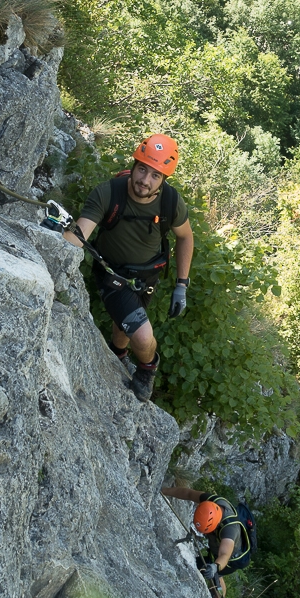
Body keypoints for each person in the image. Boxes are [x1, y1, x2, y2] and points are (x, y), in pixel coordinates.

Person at [62, 135, 194, 402]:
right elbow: (80, 234)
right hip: (113, 275)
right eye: (142, 169)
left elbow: (185, 237)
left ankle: (118, 353)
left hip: (147, 277)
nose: (145, 180)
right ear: (133, 166)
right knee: (143, 337)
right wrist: (59, 236)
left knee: (125, 323)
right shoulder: (108, 193)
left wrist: (182, 284)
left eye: (155, 175)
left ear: (163, 180)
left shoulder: (170, 202)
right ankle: (148, 369)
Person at [161, 485, 252, 596]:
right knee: (205, 568)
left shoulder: (230, 531)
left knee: (214, 574)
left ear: (215, 525)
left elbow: (224, 555)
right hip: (217, 546)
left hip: (231, 559)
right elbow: (188, 494)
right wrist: (163, 490)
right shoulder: (212, 502)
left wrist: (215, 567)